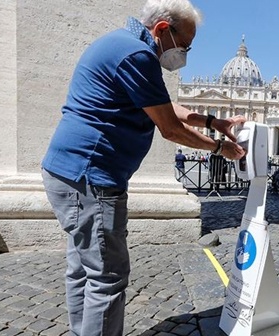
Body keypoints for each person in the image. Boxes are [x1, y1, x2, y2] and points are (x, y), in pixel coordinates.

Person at [40, 1, 245, 335]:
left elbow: (167, 106)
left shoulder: (121, 44)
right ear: (162, 30)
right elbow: (171, 128)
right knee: (107, 277)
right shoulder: (138, 56)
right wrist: (222, 148)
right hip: (93, 177)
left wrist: (212, 121)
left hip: (68, 171)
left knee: (82, 270)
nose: (185, 54)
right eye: (185, 45)